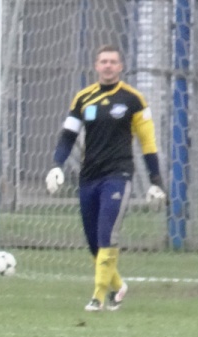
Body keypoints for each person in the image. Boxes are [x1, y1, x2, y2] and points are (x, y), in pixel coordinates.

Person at [46, 44, 166, 312]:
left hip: (118, 175)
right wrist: (56, 165)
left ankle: (98, 296)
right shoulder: (83, 98)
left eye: (113, 61)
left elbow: (148, 143)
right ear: (96, 66)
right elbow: (68, 135)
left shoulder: (133, 99)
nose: (108, 65)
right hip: (89, 176)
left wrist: (156, 181)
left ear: (120, 67)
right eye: (104, 61)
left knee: (106, 234)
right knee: (93, 242)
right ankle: (118, 286)